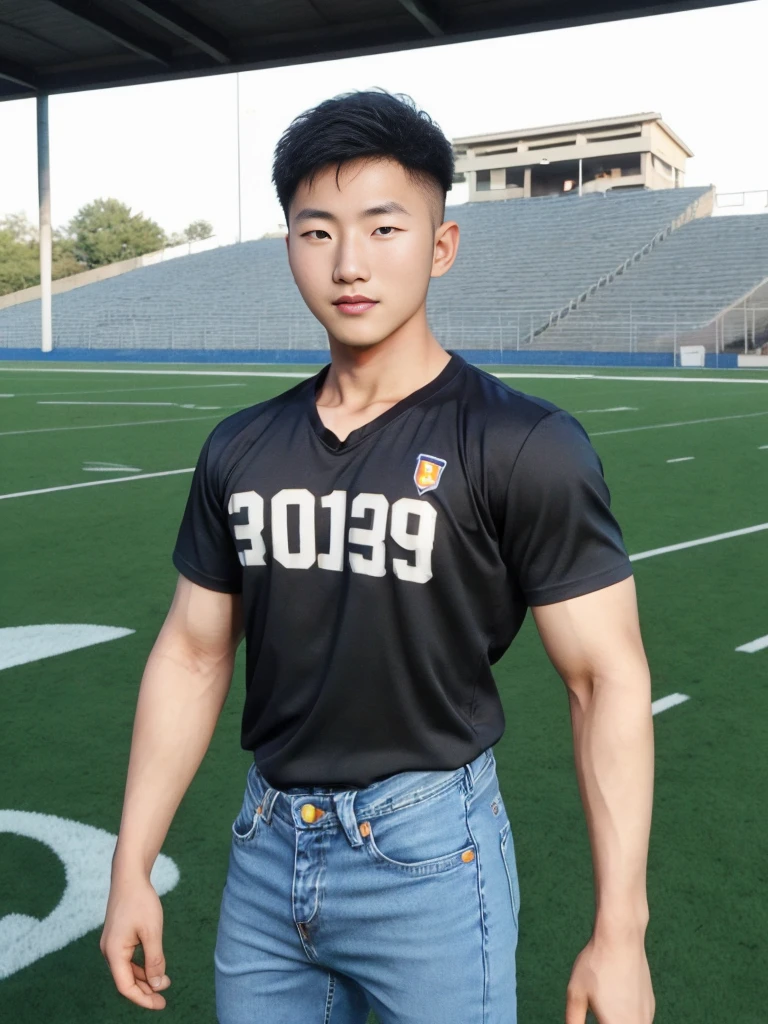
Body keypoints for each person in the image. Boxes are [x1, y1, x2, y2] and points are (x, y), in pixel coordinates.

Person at [100, 88, 655, 1024]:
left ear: (440, 245)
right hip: (266, 849)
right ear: (287, 247)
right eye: (316, 232)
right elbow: (194, 654)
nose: (349, 263)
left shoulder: (525, 444)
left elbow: (607, 680)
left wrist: (621, 933)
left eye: (384, 226)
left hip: (431, 858)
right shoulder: (241, 448)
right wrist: (131, 867)